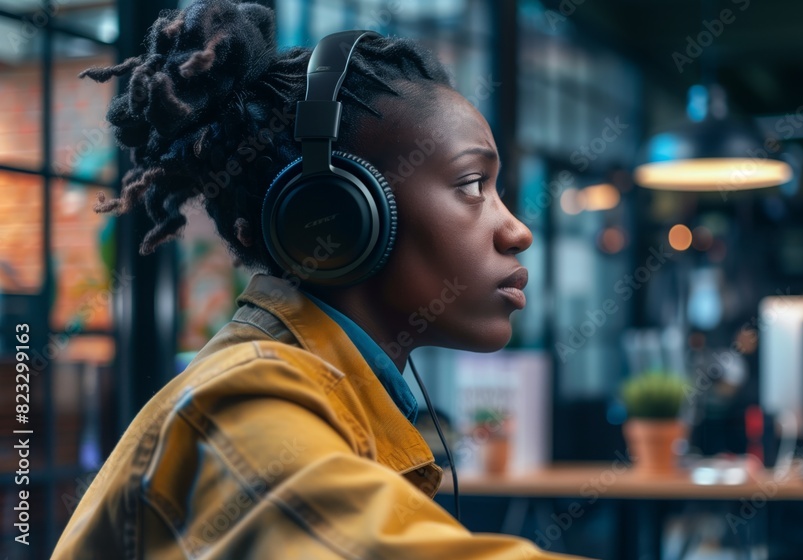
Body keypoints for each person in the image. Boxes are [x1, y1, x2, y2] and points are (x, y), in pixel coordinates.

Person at [52, 1, 589, 558]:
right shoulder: (245, 405)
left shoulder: (319, 389)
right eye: (473, 185)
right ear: (335, 213)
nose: (518, 231)